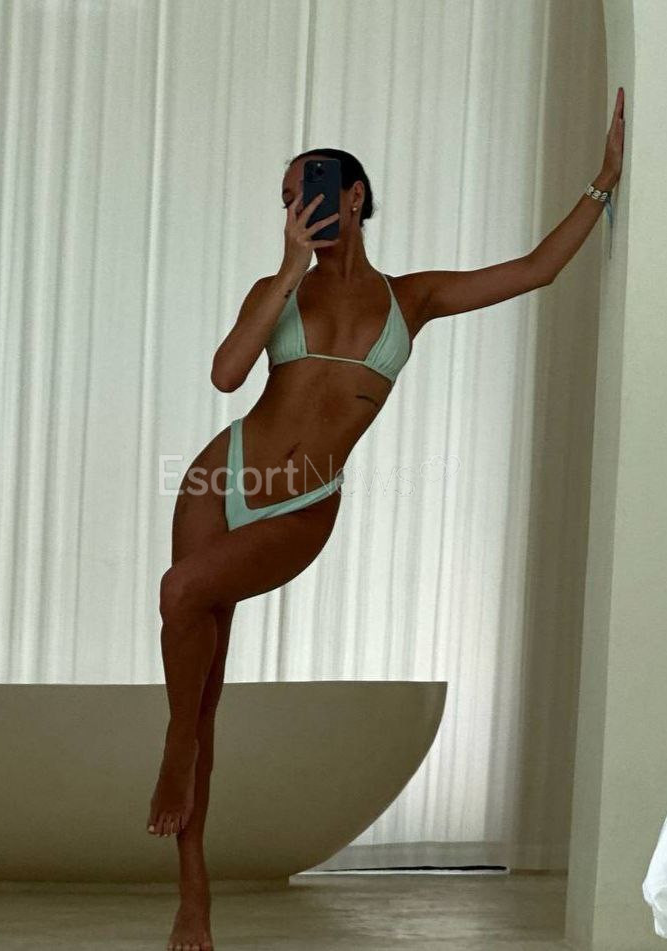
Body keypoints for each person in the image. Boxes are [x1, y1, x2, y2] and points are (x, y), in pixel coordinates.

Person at [148, 89, 624, 951]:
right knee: (201, 679)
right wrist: (287, 268)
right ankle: (192, 890)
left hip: (302, 503)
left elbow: (534, 270)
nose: (299, 207)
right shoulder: (276, 288)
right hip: (219, 478)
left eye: (309, 191)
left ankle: (176, 748)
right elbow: (225, 375)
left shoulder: (414, 299)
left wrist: (601, 183)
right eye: (286, 199)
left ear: (354, 196)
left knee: (181, 593)